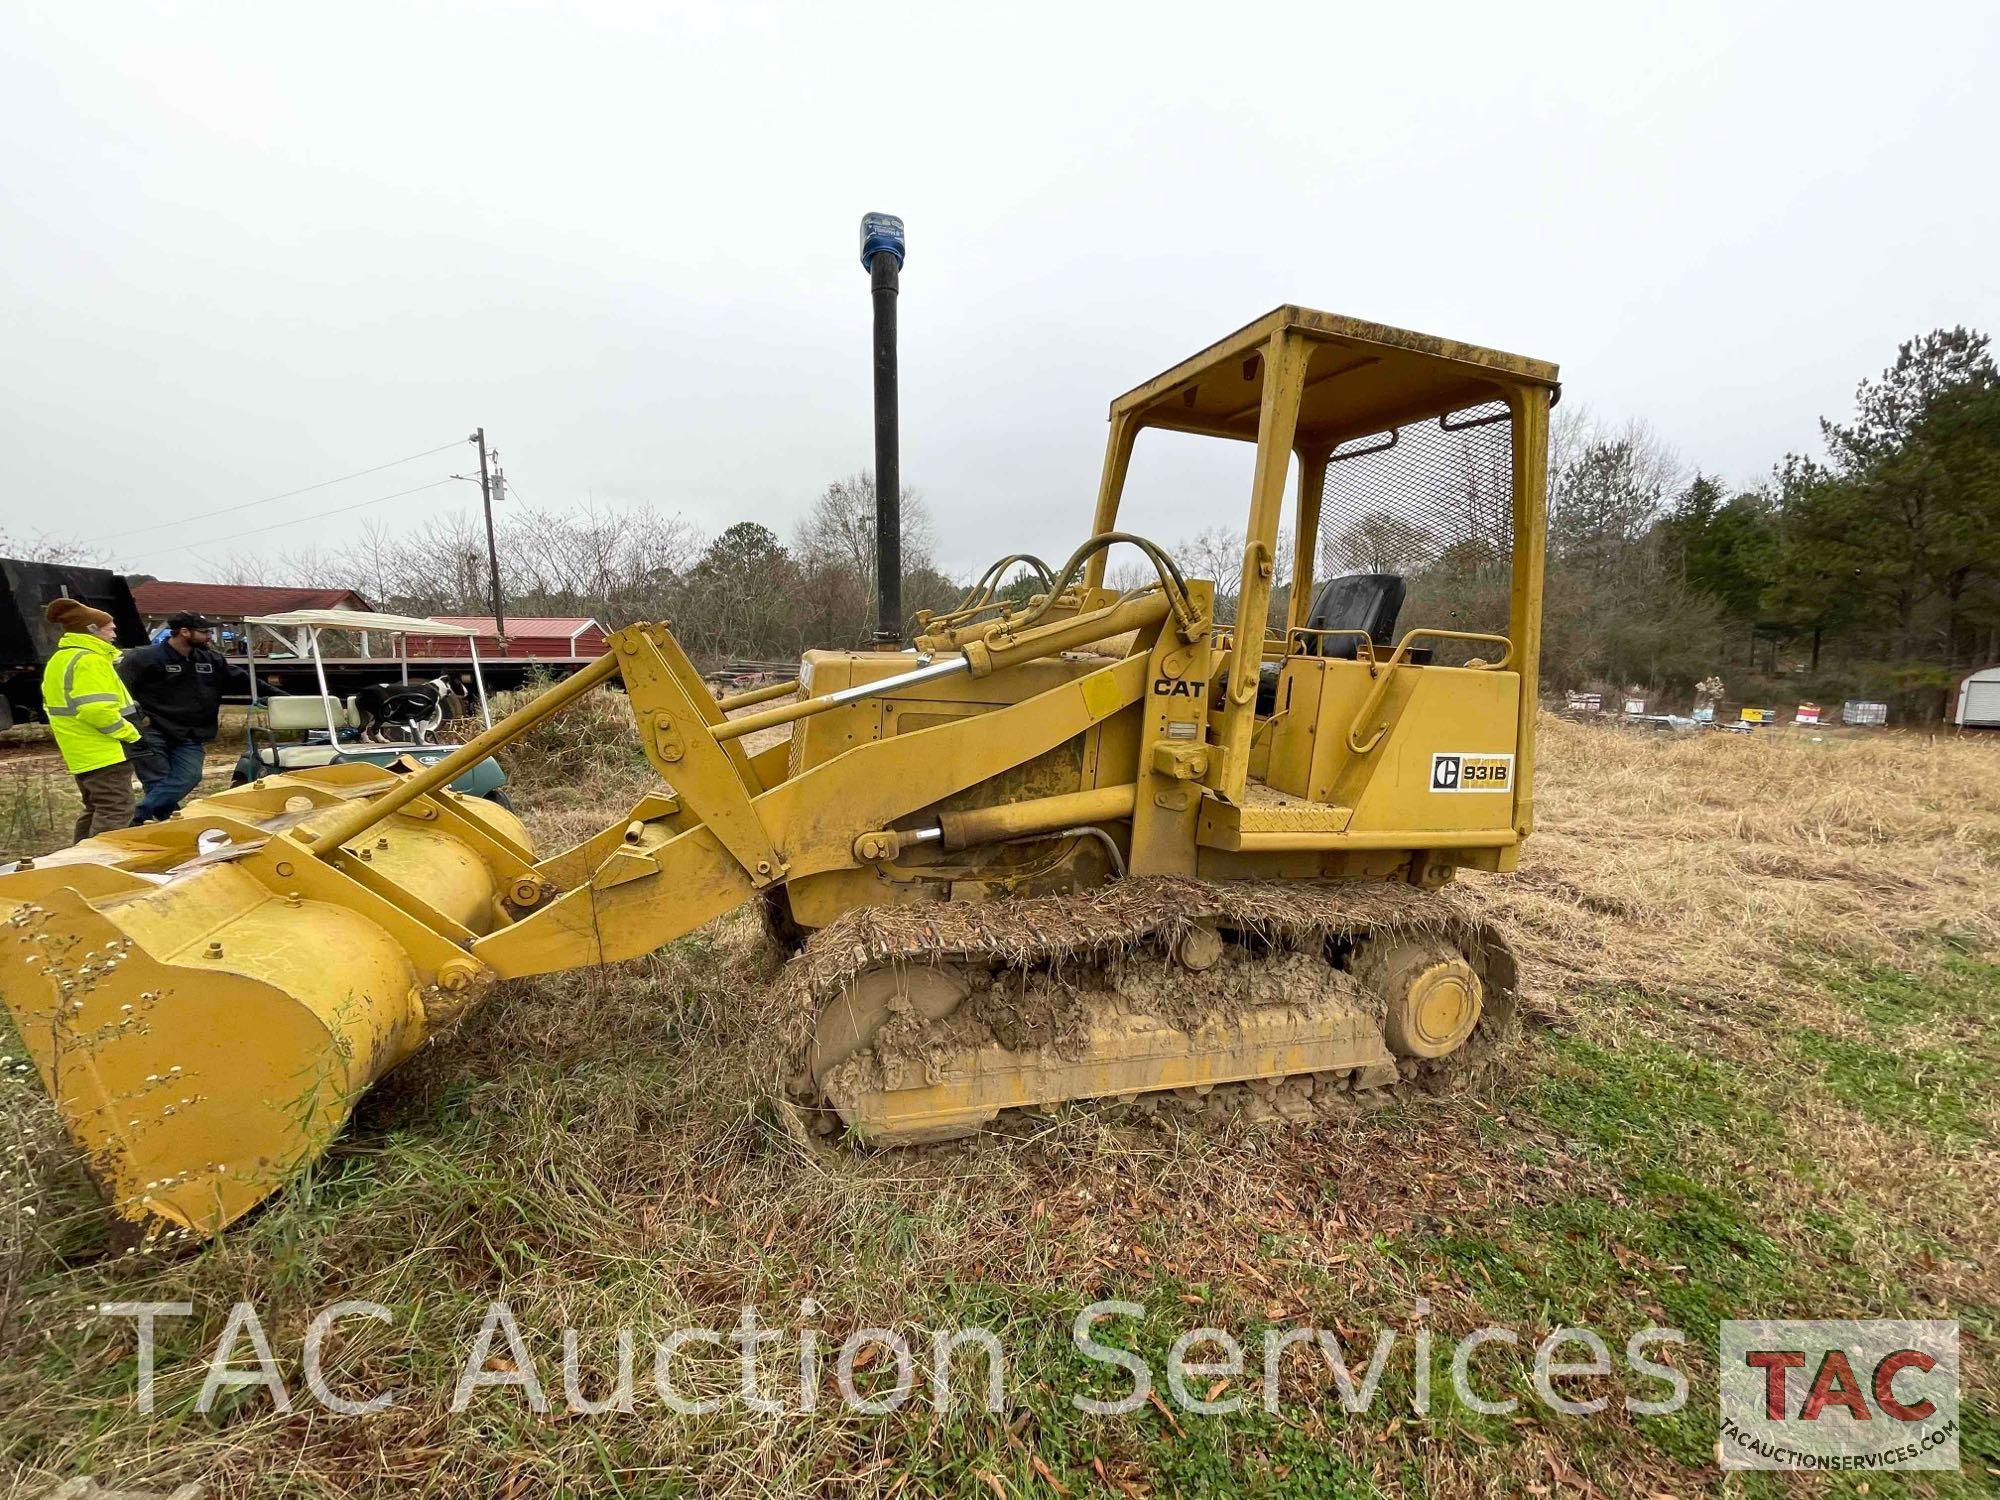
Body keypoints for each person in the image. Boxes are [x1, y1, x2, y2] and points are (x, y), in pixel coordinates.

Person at [117, 611, 246, 823]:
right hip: (151, 730)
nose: (210, 636)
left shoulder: (210, 659)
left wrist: (282, 698)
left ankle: (139, 815)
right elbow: (119, 689)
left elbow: (242, 680)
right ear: (184, 632)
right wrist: (137, 717)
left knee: (190, 776)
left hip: (189, 732)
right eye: (204, 632)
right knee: (157, 780)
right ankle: (170, 825)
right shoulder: (143, 658)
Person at [39, 597, 142, 842]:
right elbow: (96, 711)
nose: (115, 630)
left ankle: (76, 861)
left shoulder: (60, 659)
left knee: (95, 808)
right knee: (115, 809)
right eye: (109, 626)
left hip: (81, 750)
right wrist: (131, 734)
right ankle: (98, 865)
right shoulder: (90, 660)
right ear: (91, 629)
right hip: (103, 750)